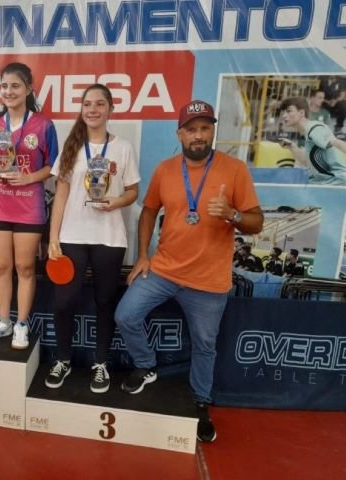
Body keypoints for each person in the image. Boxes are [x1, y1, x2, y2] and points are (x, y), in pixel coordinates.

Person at [114, 100, 264, 442]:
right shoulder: (166, 170)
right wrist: (142, 256)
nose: (198, 135)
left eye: (205, 128)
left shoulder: (234, 169)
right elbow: (148, 211)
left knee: (205, 345)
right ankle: (146, 365)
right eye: (191, 129)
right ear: (179, 134)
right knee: (125, 315)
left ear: (212, 131)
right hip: (164, 270)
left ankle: (200, 402)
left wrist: (233, 214)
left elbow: (256, 221)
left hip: (208, 282)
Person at [45, 84, 140, 393]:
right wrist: (53, 237)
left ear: (110, 108)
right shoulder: (72, 146)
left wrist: (117, 202)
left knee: (105, 301)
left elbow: (133, 190)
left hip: (109, 237)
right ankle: (63, 359)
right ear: (82, 109)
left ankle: (100, 363)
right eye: (87, 104)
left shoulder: (123, 148)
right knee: (64, 302)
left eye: (100, 104)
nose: (93, 109)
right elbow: (60, 195)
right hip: (72, 235)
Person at [0, 62, 59, 349]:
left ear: (28, 88)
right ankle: (3, 321)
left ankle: (21, 323)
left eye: (15, 85)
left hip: (29, 205)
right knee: (1, 266)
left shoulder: (44, 125)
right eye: (4, 86)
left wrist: (28, 178)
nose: (9, 91)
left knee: (24, 267)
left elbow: (53, 166)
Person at [279, 97, 346, 185]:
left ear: (301, 113)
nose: (284, 115)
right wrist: (292, 147)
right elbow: (308, 163)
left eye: (289, 111)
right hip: (323, 184)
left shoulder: (314, 129)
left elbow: (338, 143)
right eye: (283, 112)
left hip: (336, 183)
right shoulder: (308, 133)